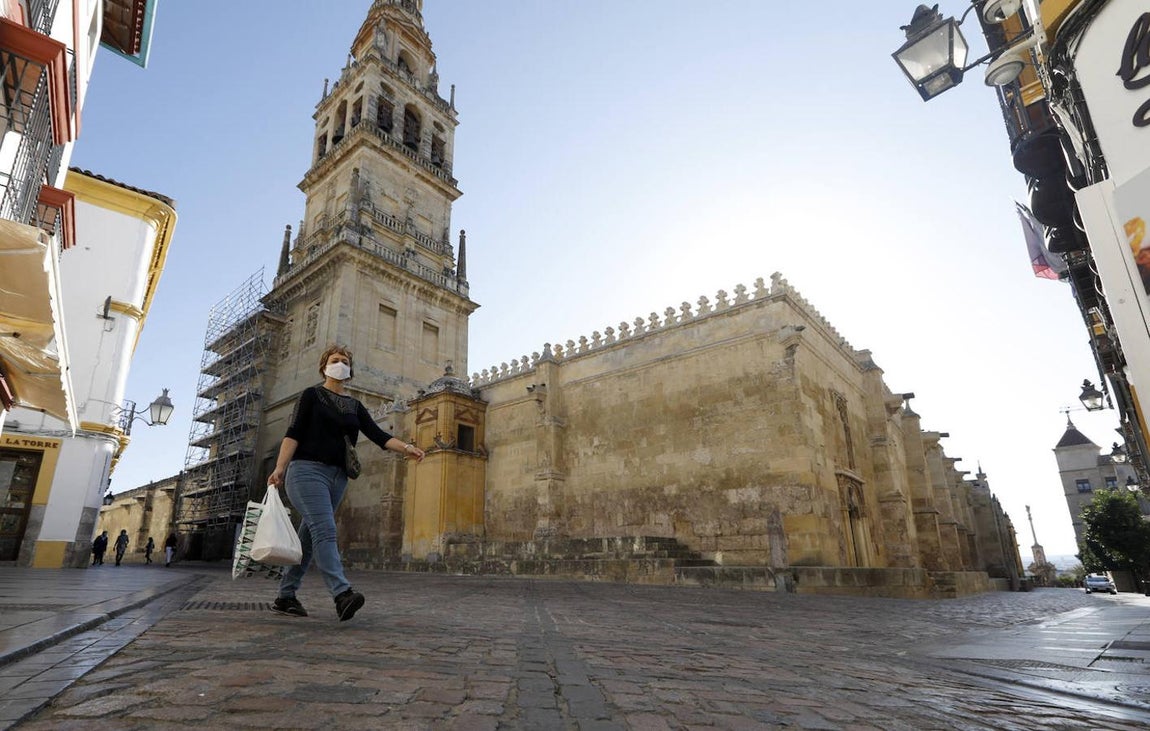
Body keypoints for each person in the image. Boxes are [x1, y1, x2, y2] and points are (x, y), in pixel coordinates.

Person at [268, 344, 424, 621]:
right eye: (335, 360)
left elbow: (378, 435)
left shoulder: (355, 406)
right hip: (306, 471)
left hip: (338, 477)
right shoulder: (311, 395)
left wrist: (407, 447)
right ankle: (342, 594)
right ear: (324, 366)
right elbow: (293, 433)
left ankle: (285, 596)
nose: (339, 363)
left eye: (344, 361)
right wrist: (280, 467)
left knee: (309, 537)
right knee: (326, 530)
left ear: (350, 370)